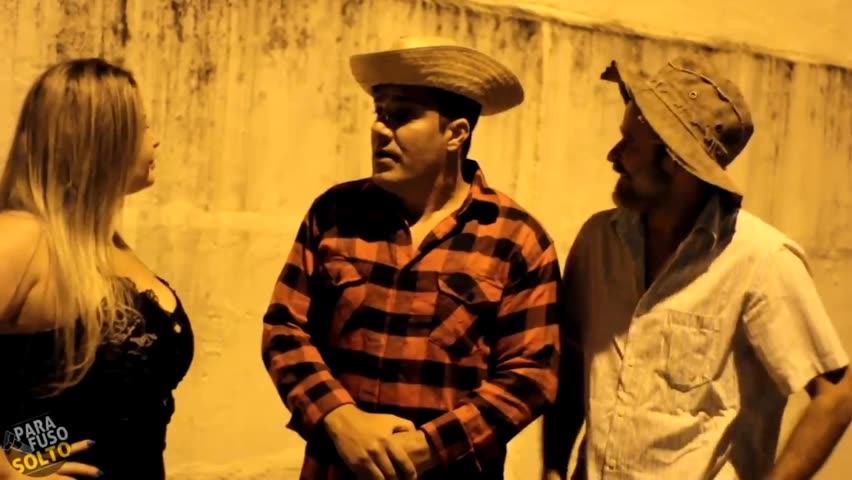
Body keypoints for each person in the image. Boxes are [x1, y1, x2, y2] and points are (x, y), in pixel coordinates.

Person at [261, 36, 564, 480]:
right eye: (379, 112)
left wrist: (427, 449)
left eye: (402, 115)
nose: (380, 129)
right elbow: (284, 329)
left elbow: (531, 376)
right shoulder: (333, 214)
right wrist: (340, 420)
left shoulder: (517, 238)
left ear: (455, 134)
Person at [541, 56, 852, 480]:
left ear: (673, 162)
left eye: (629, 144)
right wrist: (553, 466)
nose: (613, 155)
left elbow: (836, 397)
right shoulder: (599, 240)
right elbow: (574, 357)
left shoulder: (762, 260)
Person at [0, 58, 194, 480]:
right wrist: (5, 468)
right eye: (142, 125)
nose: (156, 140)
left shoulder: (107, 243)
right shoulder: (24, 237)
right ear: (99, 138)